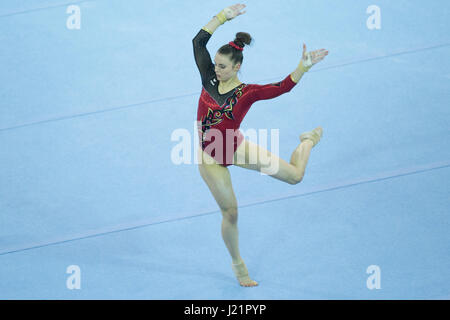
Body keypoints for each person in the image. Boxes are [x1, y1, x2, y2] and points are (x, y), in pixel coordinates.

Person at [192, 4, 328, 287]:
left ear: (237, 67)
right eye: (215, 64)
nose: (215, 70)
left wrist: (303, 65)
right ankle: (238, 265)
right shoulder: (208, 77)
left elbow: (282, 87)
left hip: (235, 147)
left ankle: (307, 141)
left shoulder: (247, 93)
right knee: (231, 212)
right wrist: (222, 17)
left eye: (222, 66)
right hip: (211, 158)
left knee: (295, 177)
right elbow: (198, 41)